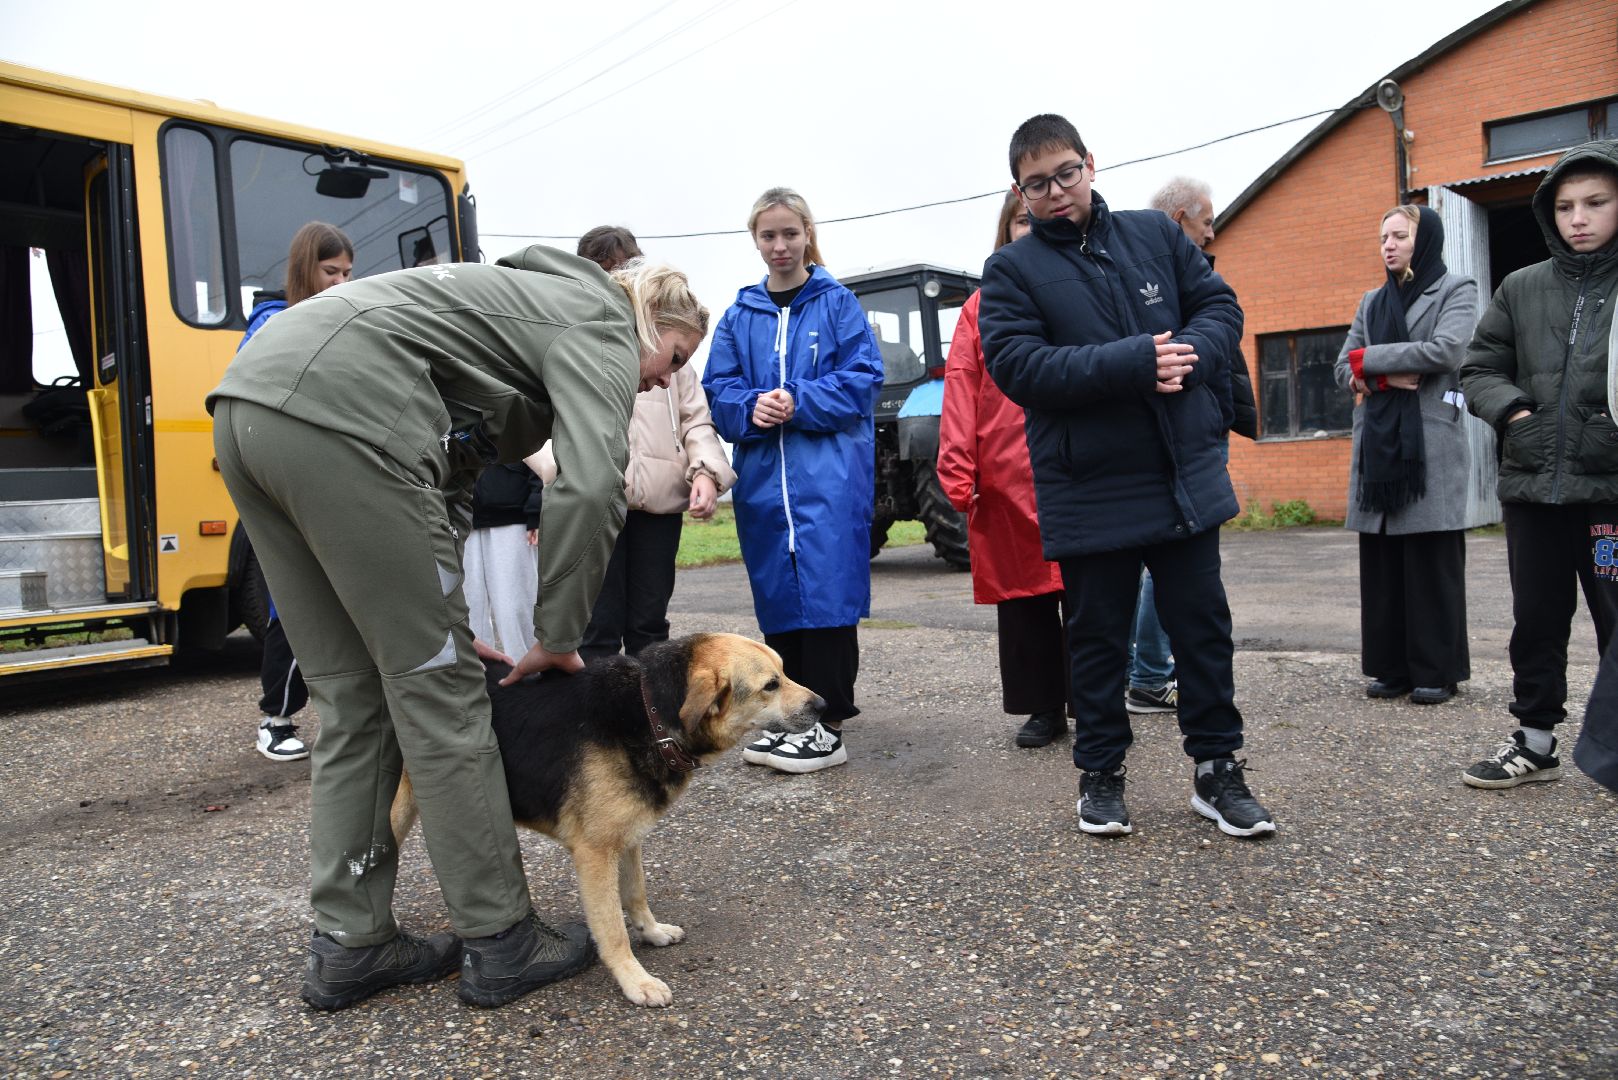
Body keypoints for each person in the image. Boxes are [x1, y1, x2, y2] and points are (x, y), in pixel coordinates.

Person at [208, 246, 709, 1010]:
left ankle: (352, 942)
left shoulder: (505, 315)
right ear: (650, 316)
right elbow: (591, 484)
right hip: (346, 419)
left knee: (353, 699)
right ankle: (503, 937)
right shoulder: (602, 321)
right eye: (674, 355)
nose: (668, 378)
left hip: (250, 412)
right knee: (442, 699)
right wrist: (560, 632)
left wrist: (443, 616)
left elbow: (451, 474)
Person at [978, 114, 1274, 839]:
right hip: (1090, 486)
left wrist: (1193, 356)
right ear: (1021, 191)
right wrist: (1135, 362)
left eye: (1066, 173)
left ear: (1090, 164)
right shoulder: (1011, 271)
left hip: (1181, 474)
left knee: (1203, 631)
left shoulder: (1155, 234)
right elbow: (1020, 366)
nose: (1055, 193)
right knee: (1098, 640)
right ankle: (1101, 775)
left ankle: (1217, 770)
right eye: (1036, 184)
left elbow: (1219, 306)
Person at [702, 187, 883, 774]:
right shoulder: (738, 315)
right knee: (780, 598)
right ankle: (793, 722)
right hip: (763, 486)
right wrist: (751, 408)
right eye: (767, 235)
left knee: (828, 594)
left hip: (826, 480)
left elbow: (862, 378)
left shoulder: (837, 305)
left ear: (807, 233)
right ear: (755, 239)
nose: (779, 246)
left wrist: (798, 398)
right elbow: (719, 389)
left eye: (789, 233)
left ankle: (829, 724)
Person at [1460, 138, 1618, 789]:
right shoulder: (1521, 288)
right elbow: (1478, 367)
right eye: (1564, 206)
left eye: (1596, 203)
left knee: (1616, 614)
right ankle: (1535, 742)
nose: (1578, 217)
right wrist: (1513, 413)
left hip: (1610, 505)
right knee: (1538, 619)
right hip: (1532, 496)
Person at [1119, 178, 1263, 717]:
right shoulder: (1159, 281)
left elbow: (1221, 328)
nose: (1213, 231)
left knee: (1161, 562)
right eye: (1207, 222)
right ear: (1179, 219)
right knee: (1173, 559)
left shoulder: (1185, 276)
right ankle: (1152, 675)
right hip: (1188, 440)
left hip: (1196, 434)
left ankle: (1149, 672)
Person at [937, 191, 1070, 748]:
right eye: (1021, 219)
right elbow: (963, 382)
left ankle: (1098, 702)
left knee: (1091, 594)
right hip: (1007, 469)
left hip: (1073, 462)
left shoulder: (1077, 287)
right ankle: (1042, 707)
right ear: (1006, 231)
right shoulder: (979, 306)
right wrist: (957, 465)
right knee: (1024, 600)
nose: (1031, 226)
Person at [569, 226, 736, 661]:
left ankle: (651, 721)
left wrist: (705, 473)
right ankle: (602, 724)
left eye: (626, 272)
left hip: (660, 506)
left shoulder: (672, 353)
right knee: (597, 625)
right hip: (600, 501)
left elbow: (697, 421)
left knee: (649, 623)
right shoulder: (580, 343)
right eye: (606, 275)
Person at [1333, 205, 1477, 706]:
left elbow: (1446, 352)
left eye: (1399, 236)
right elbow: (1340, 368)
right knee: (1383, 565)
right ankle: (1391, 668)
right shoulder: (1371, 301)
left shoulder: (1457, 289)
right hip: (1378, 446)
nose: (1388, 246)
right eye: (1382, 238)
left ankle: (1437, 671)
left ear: (1426, 240)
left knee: (1430, 563)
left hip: (1427, 443)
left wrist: (1366, 363)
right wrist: (1382, 373)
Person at [237, 221, 354, 762]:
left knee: (342, 603)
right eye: (331, 271)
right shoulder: (270, 326)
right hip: (288, 484)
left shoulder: (347, 324)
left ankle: (347, 715)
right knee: (294, 605)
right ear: (305, 268)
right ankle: (276, 718)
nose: (341, 281)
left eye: (348, 273)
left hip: (336, 483)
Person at [462, 462, 543, 657]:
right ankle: (478, 678)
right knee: (468, 612)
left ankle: (527, 676)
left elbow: (541, 452)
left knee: (515, 609)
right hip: (463, 512)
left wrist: (536, 509)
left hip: (514, 513)